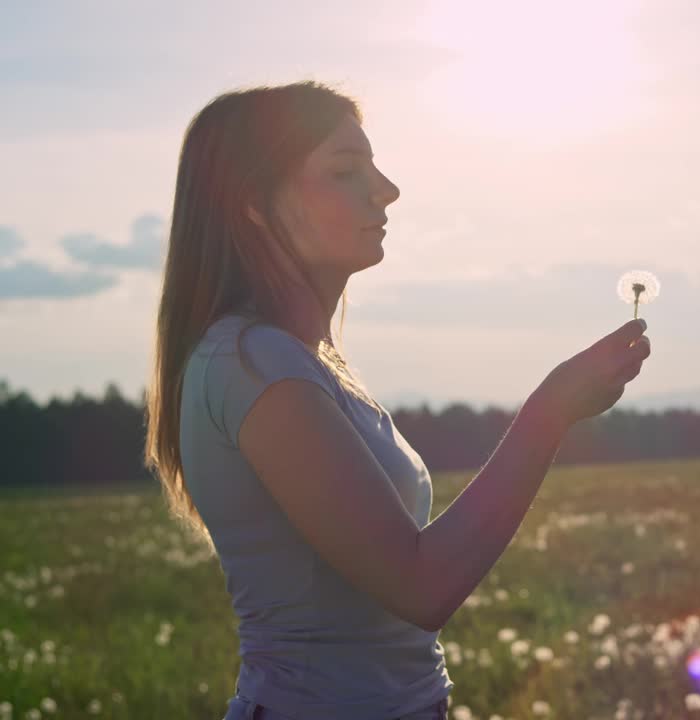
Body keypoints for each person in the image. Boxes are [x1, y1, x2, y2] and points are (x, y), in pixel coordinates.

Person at [140, 80, 653, 720]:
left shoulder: (301, 363)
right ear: (252, 202)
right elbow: (419, 583)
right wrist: (548, 414)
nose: (386, 190)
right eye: (346, 170)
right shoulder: (252, 364)